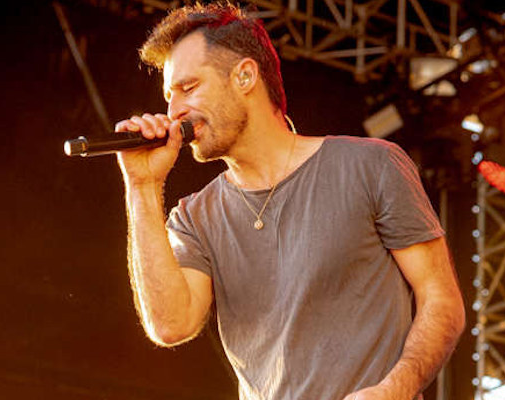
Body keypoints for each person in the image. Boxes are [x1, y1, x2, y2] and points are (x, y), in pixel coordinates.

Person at [114, 3, 465, 400]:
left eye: (188, 88)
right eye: (169, 96)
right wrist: (142, 185)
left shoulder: (371, 165)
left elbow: (442, 301)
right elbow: (170, 326)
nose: (173, 111)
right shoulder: (195, 217)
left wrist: (394, 389)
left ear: (245, 76)